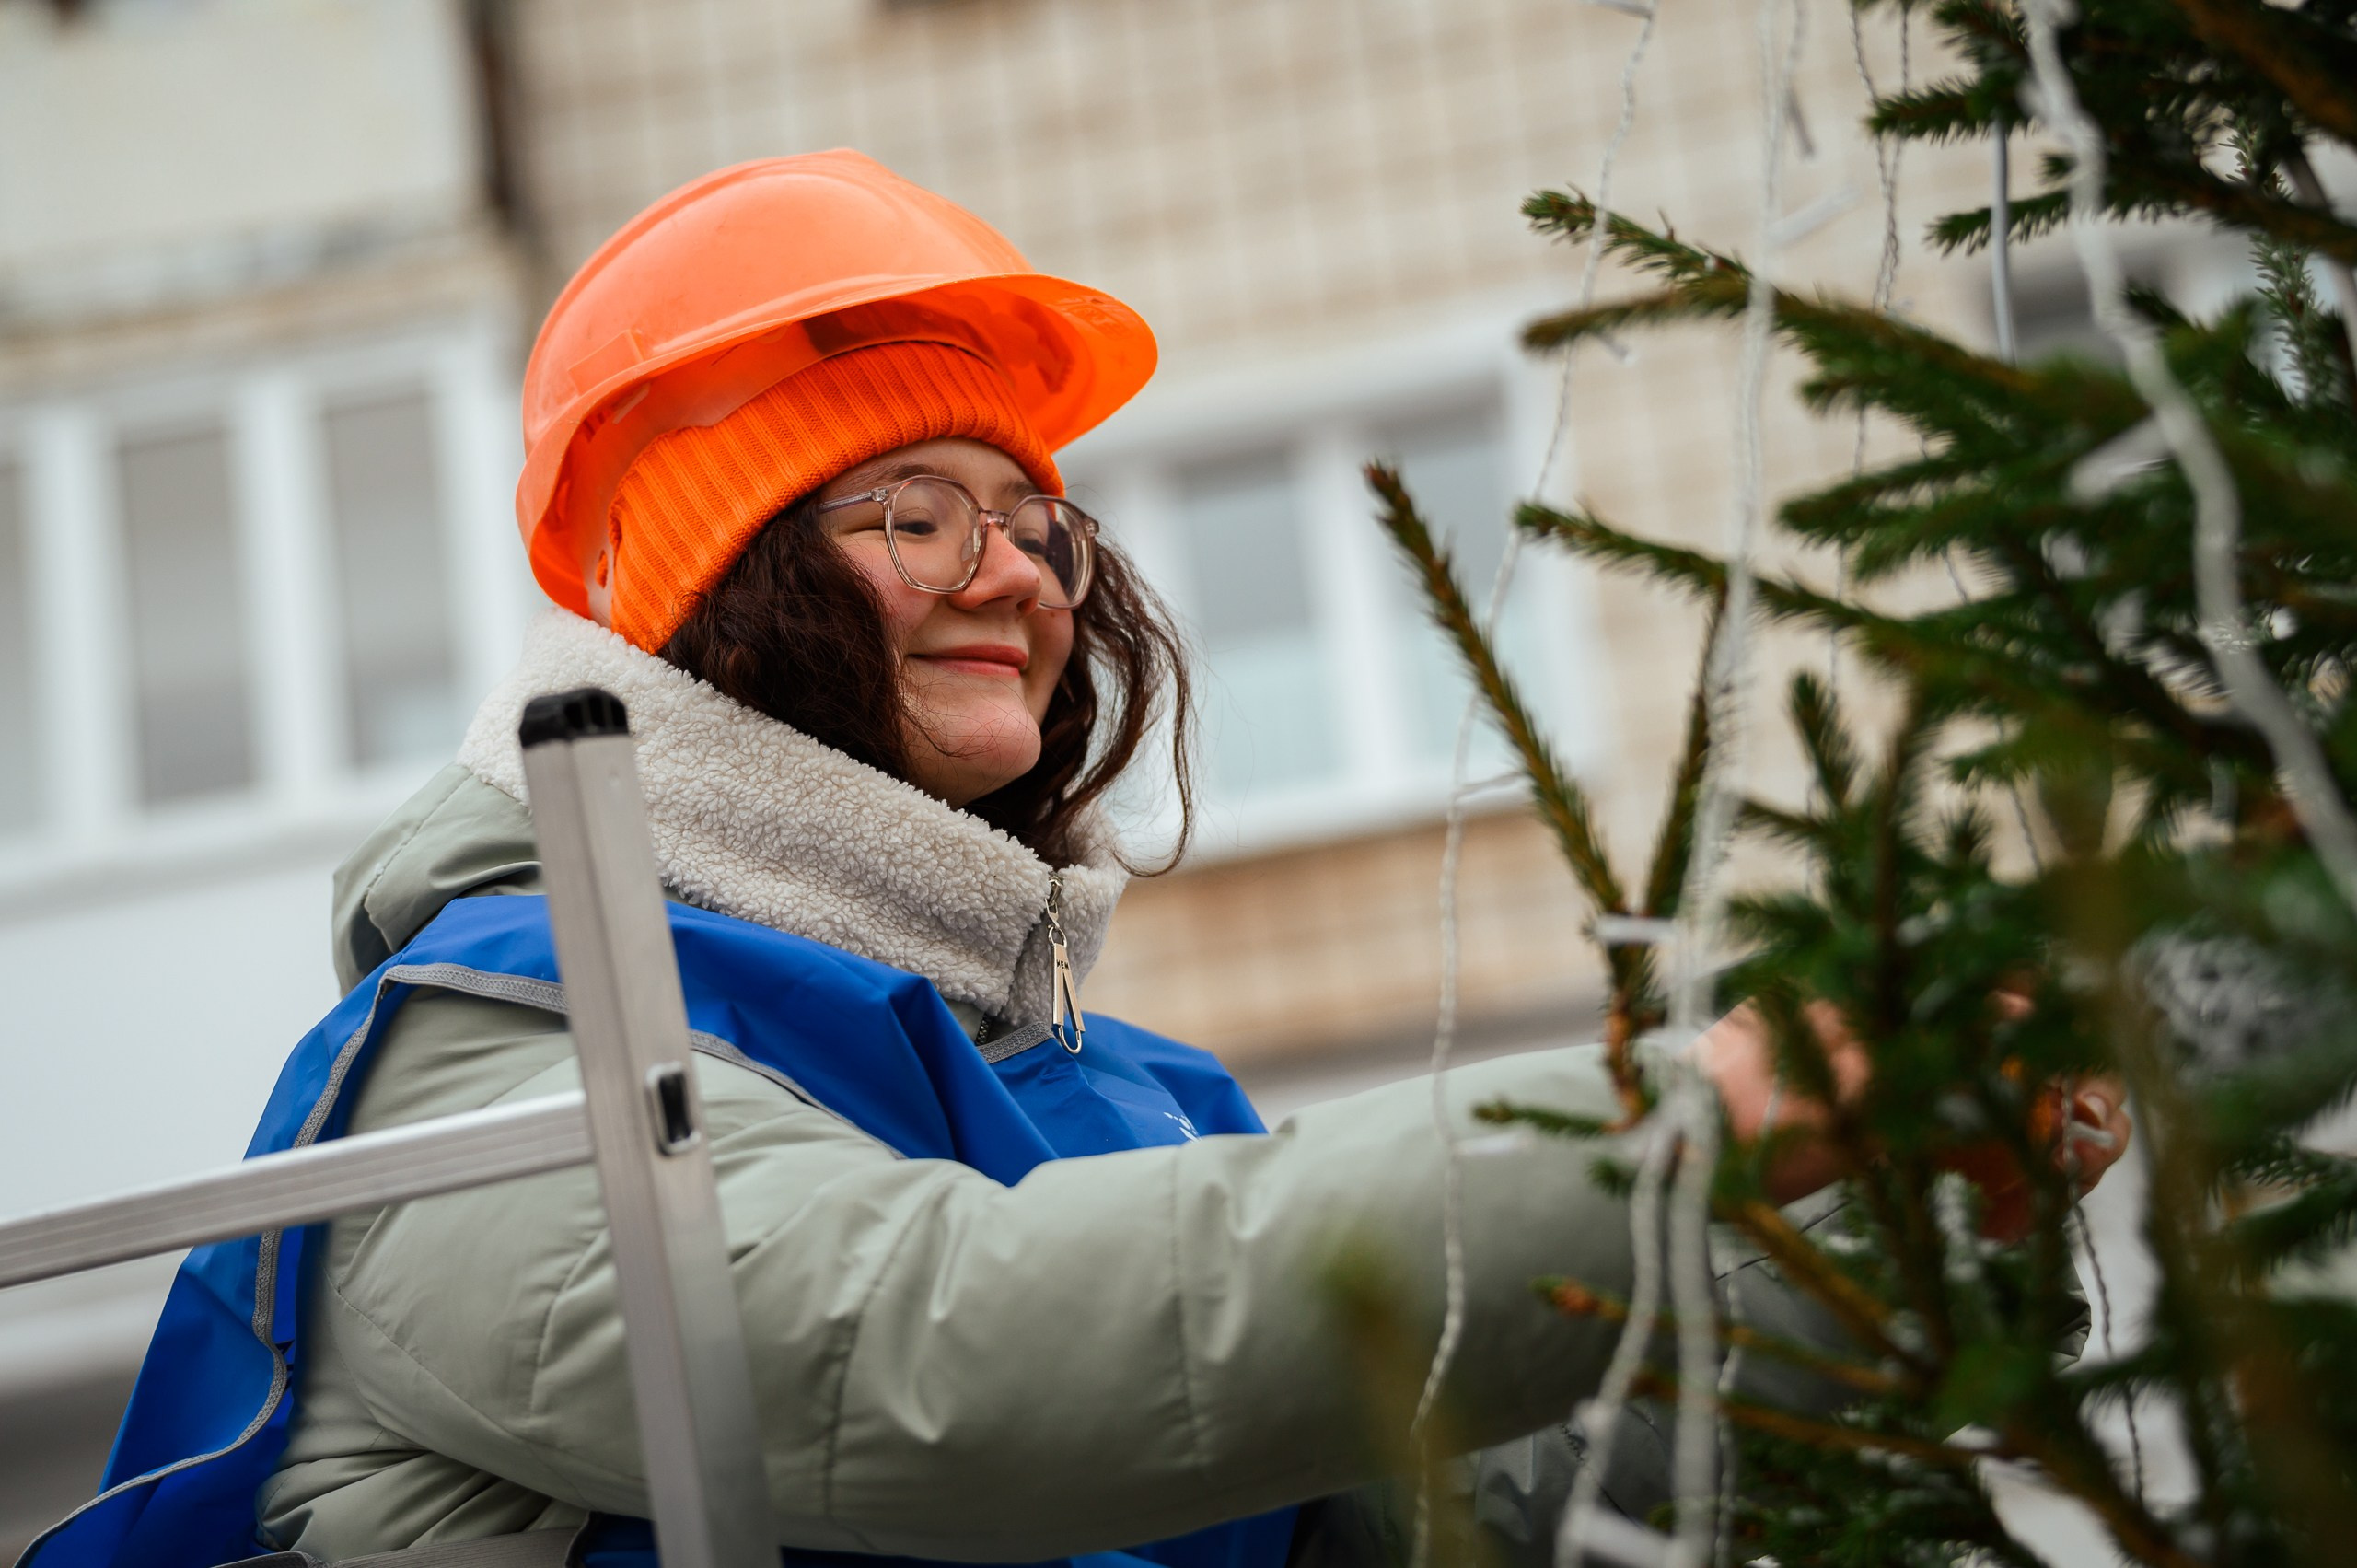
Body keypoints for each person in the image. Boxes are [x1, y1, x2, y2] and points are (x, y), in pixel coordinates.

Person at [26, 153, 2131, 1568]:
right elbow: (951, 1366)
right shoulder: (494, 1068)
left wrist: (1881, 1229)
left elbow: (1480, 1509)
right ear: (722, 584)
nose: (1012, 578)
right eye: (909, 514)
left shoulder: (1106, 1095)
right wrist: (1714, 1107)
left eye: (1034, 521)